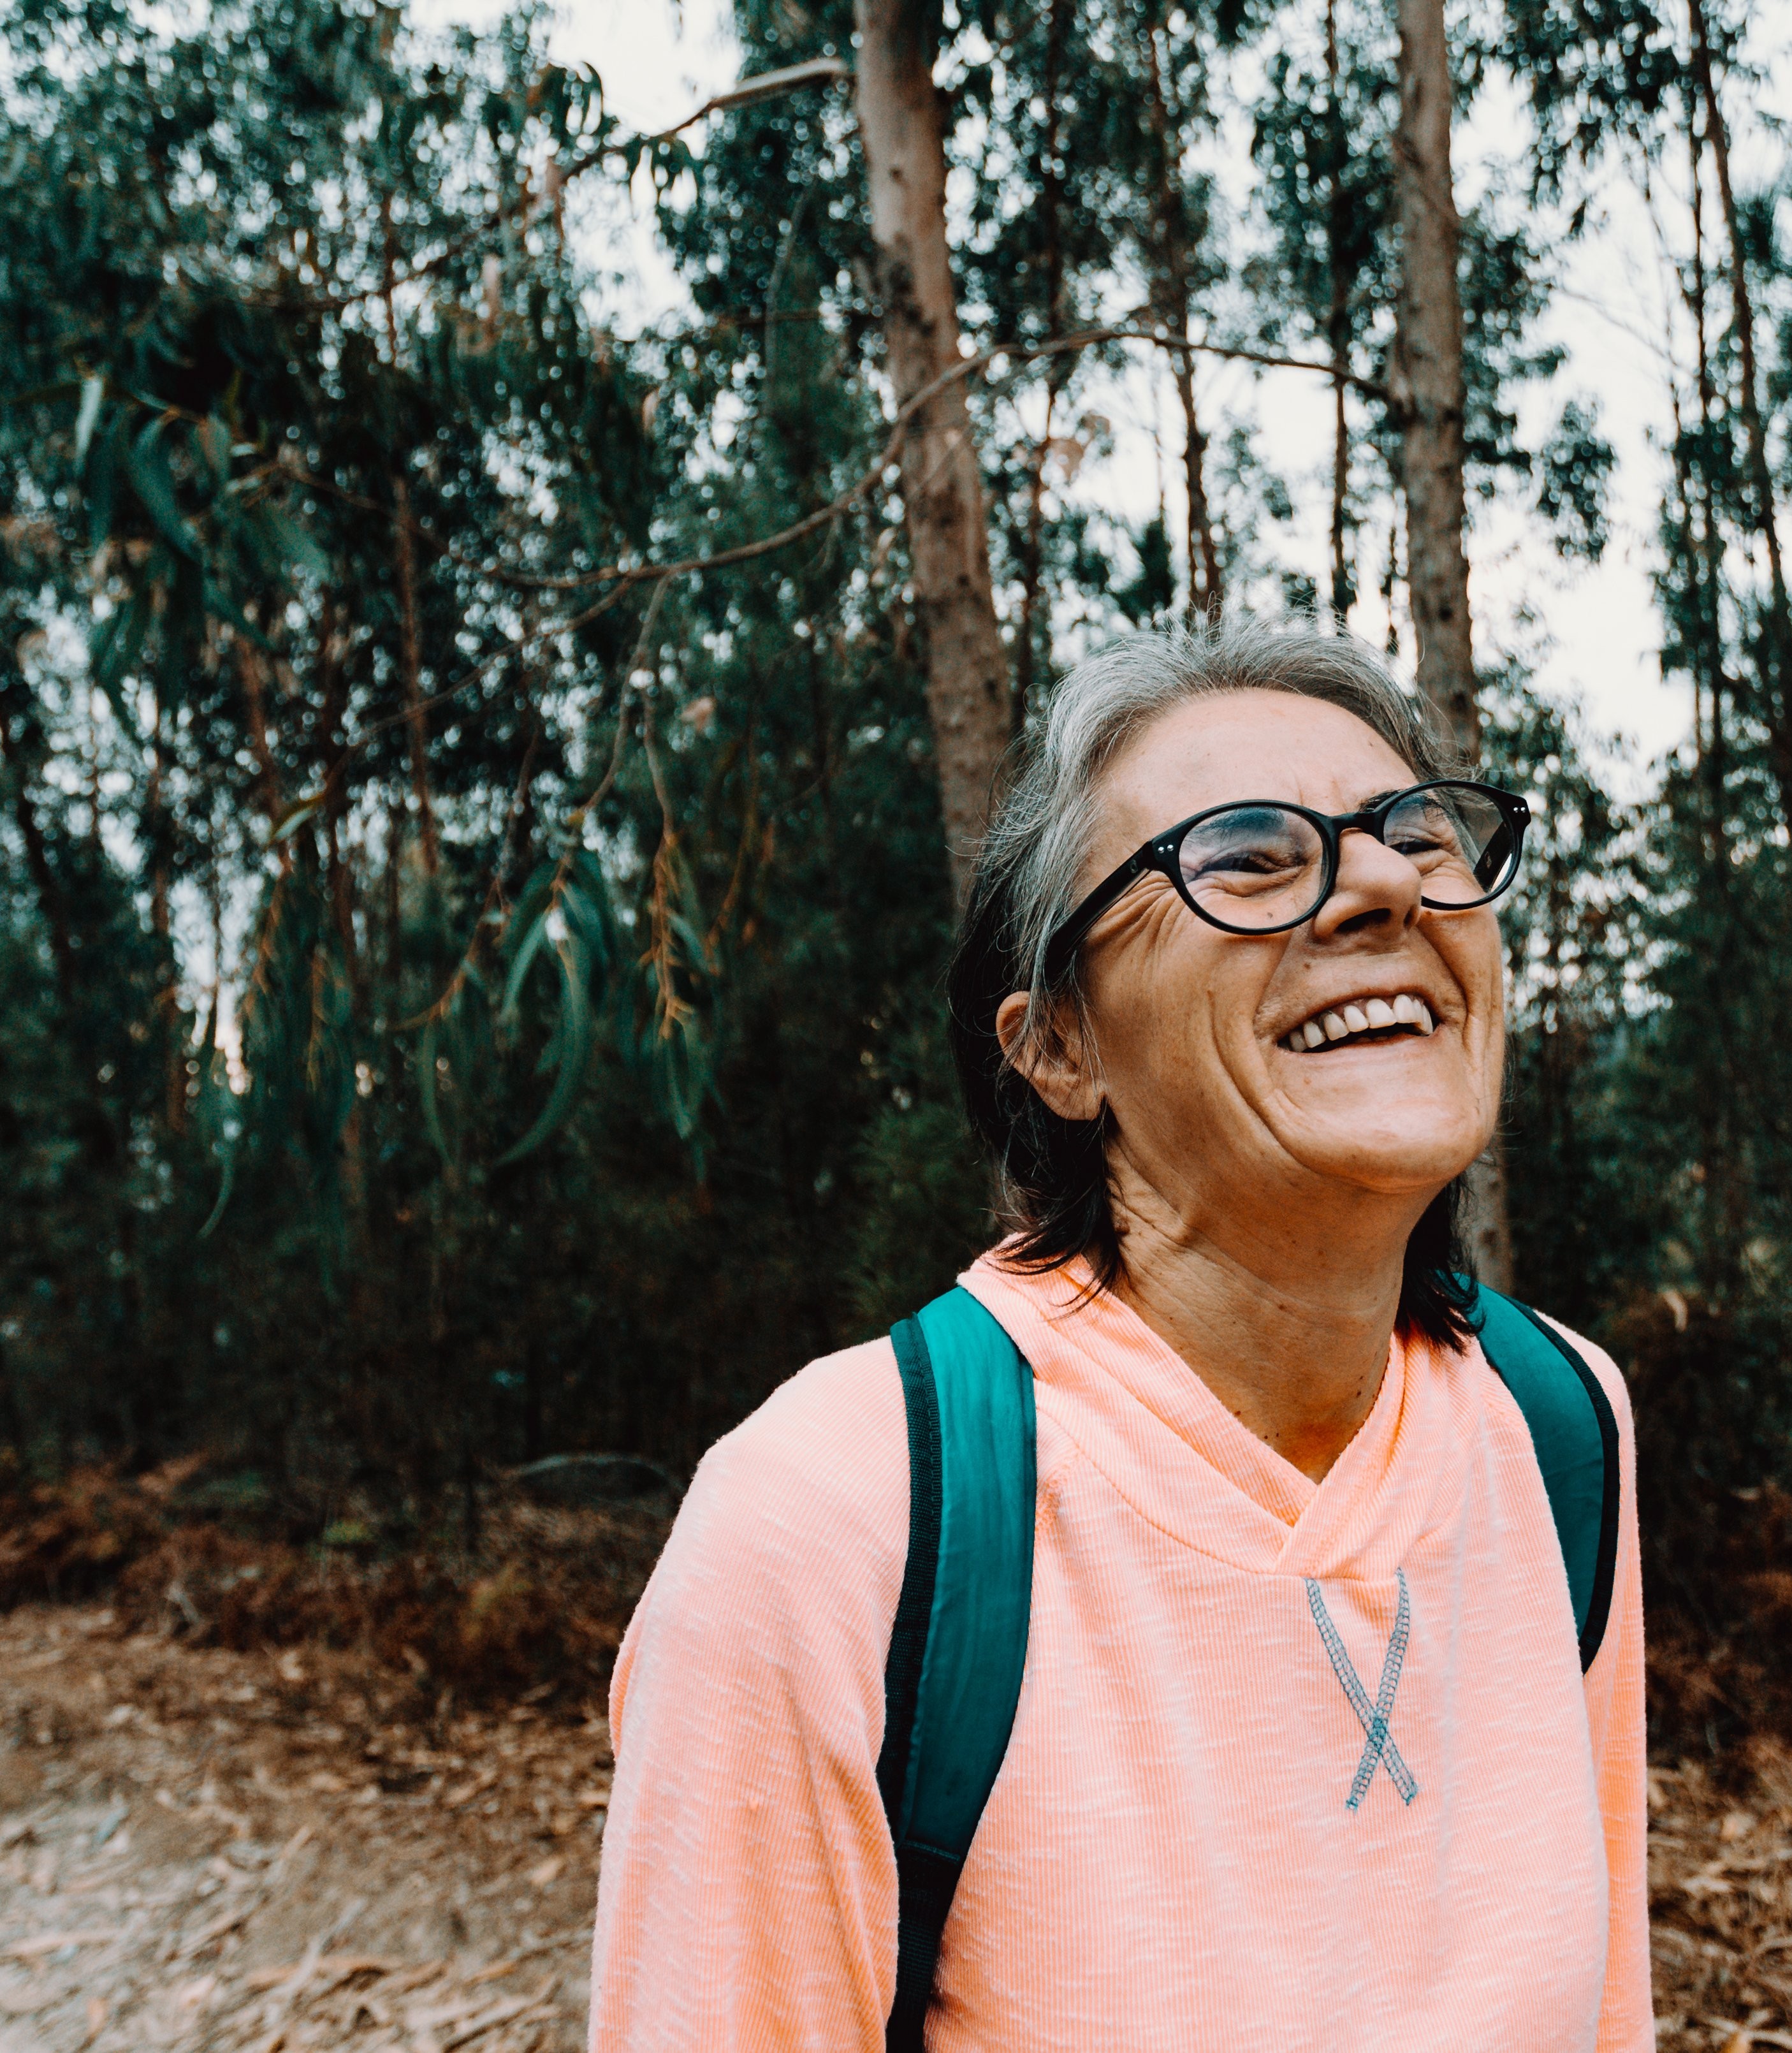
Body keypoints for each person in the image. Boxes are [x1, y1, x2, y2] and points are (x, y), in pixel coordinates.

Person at [590, 619, 1650, 2052]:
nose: (1388, 884)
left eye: (1418, 831)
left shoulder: (1560, 1421)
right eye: (1249, 854)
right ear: (1061, 1048)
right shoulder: (831, 1521)